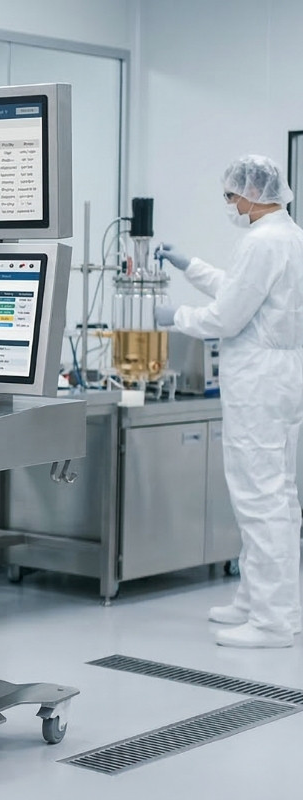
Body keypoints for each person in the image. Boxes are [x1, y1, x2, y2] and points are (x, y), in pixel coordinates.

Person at [154, 154, 303, 648]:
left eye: (230, 195)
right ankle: (260, 600)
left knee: (259, 497)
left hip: (259, 380)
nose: (228, 204)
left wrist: (177, 317)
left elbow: (225, 319)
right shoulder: (288, 236)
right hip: (282, 378)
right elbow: (241, 293)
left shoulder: (262, 242)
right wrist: (190, 266)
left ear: (251, 194)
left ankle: (273, 622)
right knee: (277, 493)